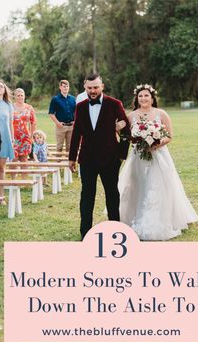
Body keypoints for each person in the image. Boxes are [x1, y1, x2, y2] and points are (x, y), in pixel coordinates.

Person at [118, 83, 198, 241]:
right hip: (138, 157)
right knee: (138, 185)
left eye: (146, 95)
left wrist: (155, 144)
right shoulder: (131, 116)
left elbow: (169, 135)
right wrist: (123, 132)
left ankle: (159, 220)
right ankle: (134, 216)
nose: (143, 98)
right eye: (140, 96)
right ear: (137, 98)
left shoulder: (161, 114)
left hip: (159, 156)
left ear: (152, 97)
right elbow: (126, 136)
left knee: (157, 185)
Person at [69, 73, 130, 239]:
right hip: (87, 159)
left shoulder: (115, 104)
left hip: (110, 159)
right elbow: (76, 133)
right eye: (89, 88)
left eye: (95, 87)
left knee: (112, 194)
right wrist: (72, 157)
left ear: (102, 86)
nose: (93, 91)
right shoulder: (80, 106)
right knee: (87, 195)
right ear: (85, 87)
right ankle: (85, 233)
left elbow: (126, 131)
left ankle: (116, 231)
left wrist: (121, 155)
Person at [0, 79, 14, 201]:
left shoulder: (8, 105)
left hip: (4, 140)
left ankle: (0, 196)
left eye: (1, 86)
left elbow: (10, 124)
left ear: (4, 89)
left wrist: (12, 139)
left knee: (1, 167)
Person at [49, 79, 76, 151]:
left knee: (70, 147)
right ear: (60, 87)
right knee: (59, 147)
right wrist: (57, 123)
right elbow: (51, 113)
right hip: (61, 126)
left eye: (67, 86)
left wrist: (75, 120)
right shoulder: (55, 99)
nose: (66, 88)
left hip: (71, 127)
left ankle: (69, 162)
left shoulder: (73, 99)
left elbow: (76, 112)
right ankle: (58, 162)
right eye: (64, 86)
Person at [13, 88, 37, 162]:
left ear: (24, 96)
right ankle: (14, 174)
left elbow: (33, 122)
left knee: (24, 160)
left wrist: (32, 136)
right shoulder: (10, 107)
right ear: (15, 97)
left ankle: (24, 174)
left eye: (22, 95)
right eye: (18, 95)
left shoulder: (29, 108)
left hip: (26, 138)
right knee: (14, 159)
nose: (20, 97)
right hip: (13, 138)